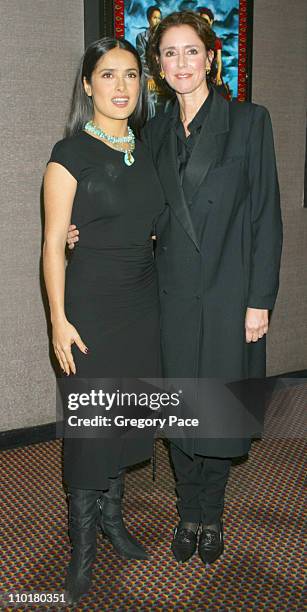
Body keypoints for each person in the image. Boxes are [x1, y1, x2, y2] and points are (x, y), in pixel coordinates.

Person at [67, 11, 283, 567]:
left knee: (218, 412)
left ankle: (211, 516)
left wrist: (259, 301)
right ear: (158, 66)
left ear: (213, 57)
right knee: (183, 413)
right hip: (168, 296)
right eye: (169, 53)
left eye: (192, 51)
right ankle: (188, 512)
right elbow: (136, 206)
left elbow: (266, 217)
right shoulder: (153, 132)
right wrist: (80, 225)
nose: (181, 63)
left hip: (229, 293)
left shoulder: (250, 121)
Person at [43, 37, 164, 604]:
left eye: (132, 76)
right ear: (88, 84)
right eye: (108, 75)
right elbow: (50, 246)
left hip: (143, 307)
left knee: (125, 419)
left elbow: (154, 224)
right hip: (90, 309)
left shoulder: (149, 148)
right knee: (91, 431)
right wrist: (57, 321)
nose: (122, 87)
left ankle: (114, 522)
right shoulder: (69, 154)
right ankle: (83, 552)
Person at [136, 5, 164, 118]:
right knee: (150, 106)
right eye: (154, 18)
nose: (157, 21)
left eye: (159, 18)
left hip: (164, 79)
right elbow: (142, 60)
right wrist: (151, 77)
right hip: (150, 79)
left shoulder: (164, 38)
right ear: (148, 19)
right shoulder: (141, 37)